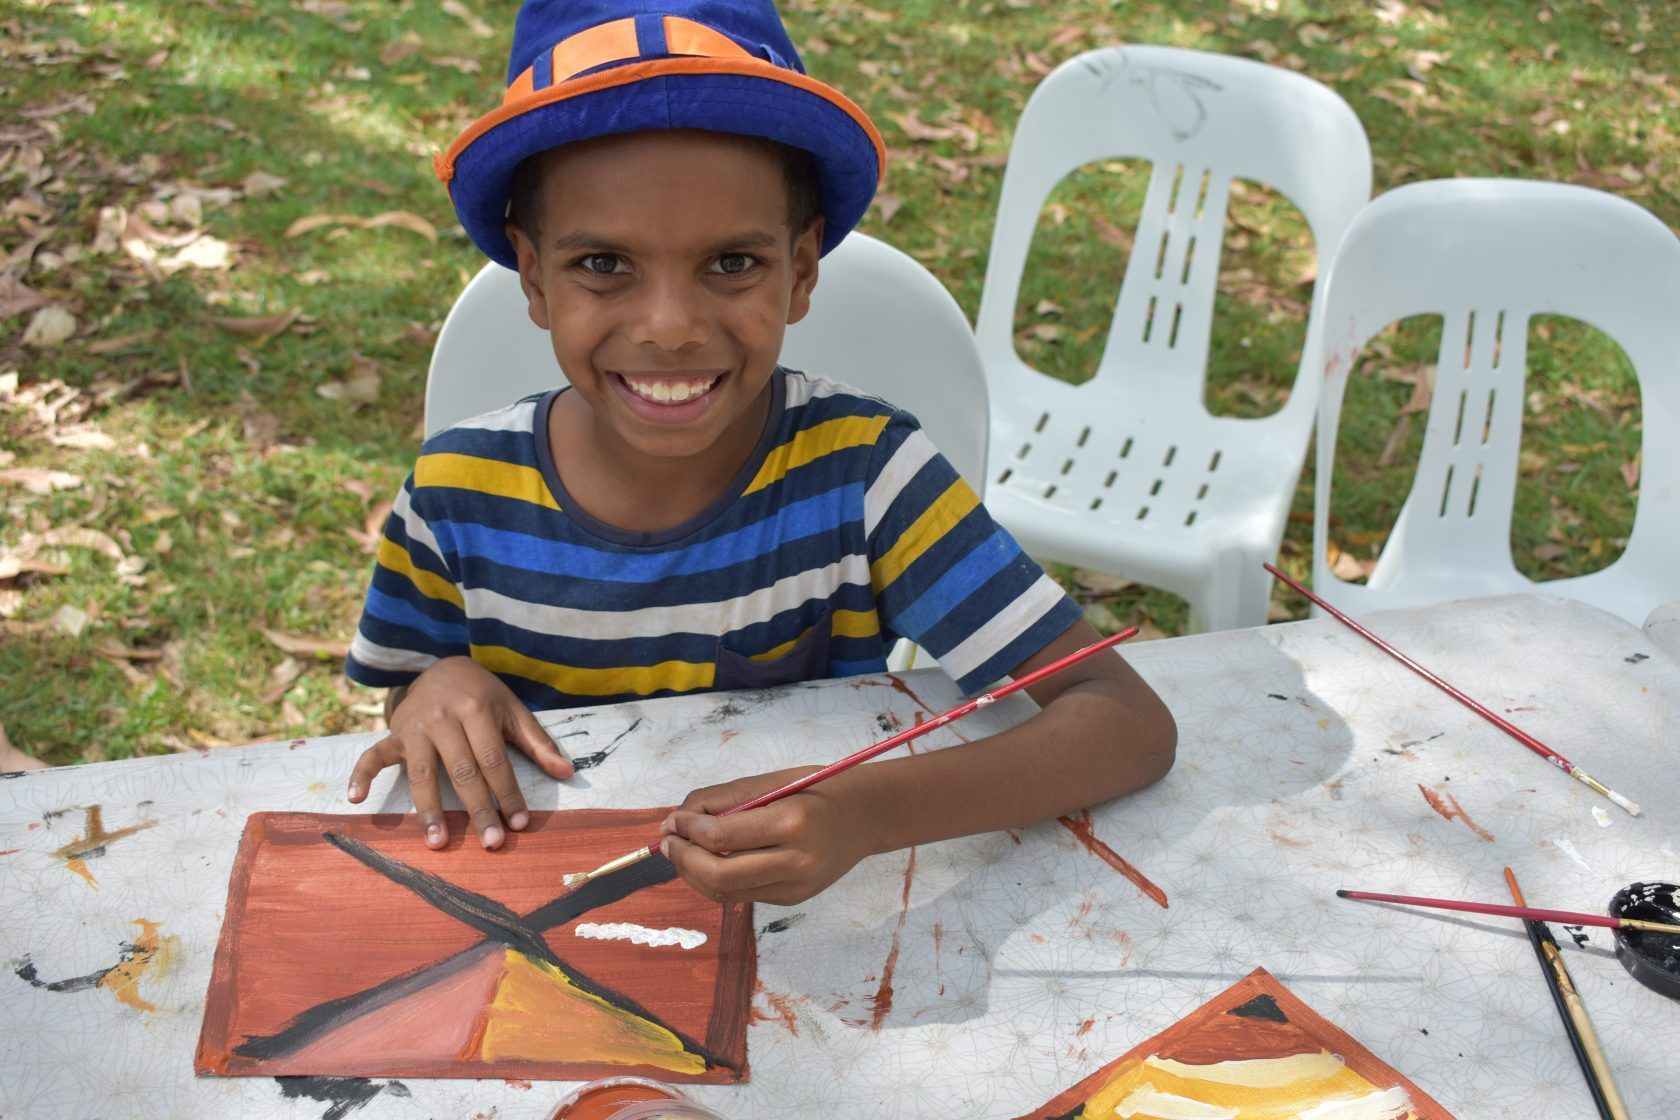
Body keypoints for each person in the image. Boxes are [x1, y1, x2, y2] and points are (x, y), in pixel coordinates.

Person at [343, 0, 1175, 905]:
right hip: (536, 918)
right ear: (534, 276)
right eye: (604, 265)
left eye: (732, 264)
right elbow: (408, 695)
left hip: (818, 944)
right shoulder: (455, 496)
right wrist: (437, 687)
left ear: (802, 270)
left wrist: (870, 812)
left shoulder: (867, 480)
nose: (670, 328)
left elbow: (1124, 721)